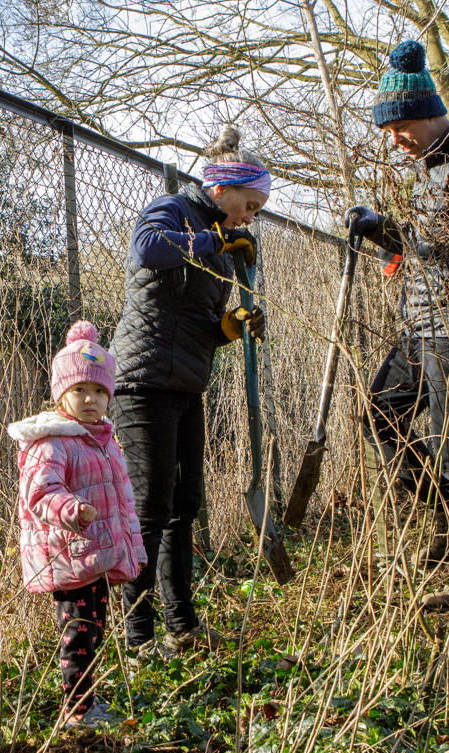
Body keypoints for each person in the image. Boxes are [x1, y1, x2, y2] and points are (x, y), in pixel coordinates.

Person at [346, 39, 449, 609]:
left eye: (397, 130)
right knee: (379, 412)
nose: (394, 142)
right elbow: (429, 247)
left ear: (421, 115)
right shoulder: (430, 164)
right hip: (418, 323)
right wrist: (379, 228)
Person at [110, 126, 269, 659]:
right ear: (222, 190)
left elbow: (189, 316)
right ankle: (138, 636)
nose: (252, 217)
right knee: (149, 507)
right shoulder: (175, 210)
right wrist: (214, 240)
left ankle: (182, 626)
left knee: (185, 503)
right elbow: (146, 251)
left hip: (183, 382)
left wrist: (227, 328)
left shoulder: (219, 237)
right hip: (143, 381)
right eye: (250, 204)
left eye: (258, 209)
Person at [8, 321, 147, 728]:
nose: (91, 399)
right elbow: (38, 493)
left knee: (93, 633)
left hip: (97, 557)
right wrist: (73, 510)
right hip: (71, 556)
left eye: (100, 391)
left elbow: (124, 505)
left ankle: (86, 700)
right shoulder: (54, 441)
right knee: (79, 634)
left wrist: (132, 550)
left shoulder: (104, 441)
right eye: (80, 390)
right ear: (61, 394)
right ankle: (78, 711)